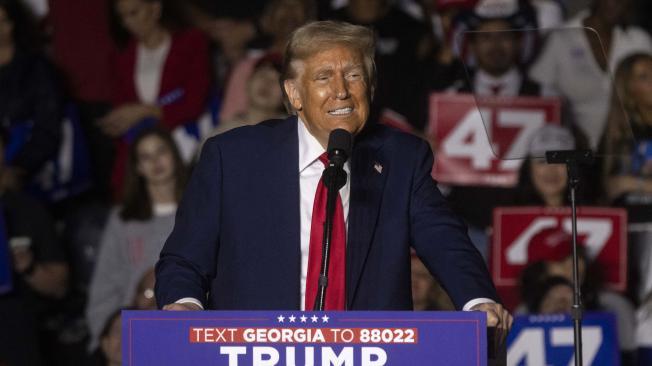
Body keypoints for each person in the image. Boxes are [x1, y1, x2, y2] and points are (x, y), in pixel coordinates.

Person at [156, 20, 511, 334]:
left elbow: (445, 241)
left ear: (370, 87)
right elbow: (185, 258)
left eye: (354, 75)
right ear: (294, 93)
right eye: (324, 77)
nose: (341, 90)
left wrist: (476, 300)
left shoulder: (402, 158)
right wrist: (185, 305)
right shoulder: (232, 157)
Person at [86, 127, 187, 350]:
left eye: (161, 151)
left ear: (174, 154)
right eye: (145, 157)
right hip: (138, 330)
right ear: (138, 167)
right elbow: (105, 284)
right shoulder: (123, 221)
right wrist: (107, 337)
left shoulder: (200, 209)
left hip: (192, 324)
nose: (155, 161)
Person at [101, 0, 211, 195]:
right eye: (122, 16)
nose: (127, 22)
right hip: (140, 154)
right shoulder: (121, 56)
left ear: (155, 8)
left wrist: (144, 111)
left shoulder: (191, 42)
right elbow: (122, 111)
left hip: (186, 147)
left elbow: (194, 103)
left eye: (133, 13)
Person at [529, 0, 652, 150]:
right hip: (571, 148)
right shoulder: (562, 38)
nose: (616, 4)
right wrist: (568, 125)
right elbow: (535, 94)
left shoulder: (639, 40)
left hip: (630, 147)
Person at [0, 0, 63, 191]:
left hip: (30, 177)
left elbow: (48, 129)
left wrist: (18, 170)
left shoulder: (36, 68)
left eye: (3, 21)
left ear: (14, 24)